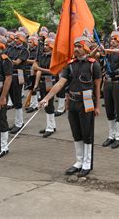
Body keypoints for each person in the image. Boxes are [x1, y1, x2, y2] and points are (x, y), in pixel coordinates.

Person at [39, 36, 101, 177]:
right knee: (76, 133)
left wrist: (97, 106)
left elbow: (97, 86)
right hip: (72, 101)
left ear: (86, 47)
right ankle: (78, 161)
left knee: (87, 133)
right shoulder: (70, 65)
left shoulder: (93, 65)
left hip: (87, 101)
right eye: (75, 46)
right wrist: (47, 98)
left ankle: (87, 163)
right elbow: (60, 83)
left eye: (79, 46)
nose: (76, 49)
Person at [102, 31, 119, 149]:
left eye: (114, 39)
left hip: (118, 82)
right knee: (109, 110)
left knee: (118, 109)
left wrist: (108, 50)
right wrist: (100, 49)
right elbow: (95, 55)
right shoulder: (108, 51)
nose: (111, 41)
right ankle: (111, 135)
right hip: (108, 82)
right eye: (111, 39)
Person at [6, 31, 29, 134]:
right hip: (10, 73)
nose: (14, 40)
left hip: (18, 74)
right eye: (14, 38)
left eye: (17, 38)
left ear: (22, 40)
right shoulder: (10, 48)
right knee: (12, 98)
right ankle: (16, 122)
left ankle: (19, 123)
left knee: (17, 98)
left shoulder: (24, 51)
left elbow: (17, 62)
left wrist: (6, 58)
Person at [33, 37, 57, 138]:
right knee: (45, 104)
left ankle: (50, 128)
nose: (45, 47)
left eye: (47, 45)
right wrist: (36, 84)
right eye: (45, 45)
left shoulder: (54, 57)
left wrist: (38, 68)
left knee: (49, 104)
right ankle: (51, 125)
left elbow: (53, 71)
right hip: (43, 81)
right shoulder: (42, 56)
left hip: (49, 80)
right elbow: (39, 71)